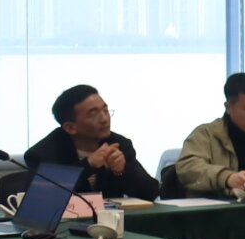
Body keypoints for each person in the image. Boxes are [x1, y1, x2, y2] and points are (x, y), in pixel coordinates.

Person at [24, 84, 159, 200]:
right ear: (70, 127)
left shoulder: (118, 143)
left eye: (105, 110)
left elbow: (151, 193)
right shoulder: (44, 153)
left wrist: (122, 171)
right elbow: (43, 198)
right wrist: (89, 164)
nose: (104, 119)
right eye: (93, 114)